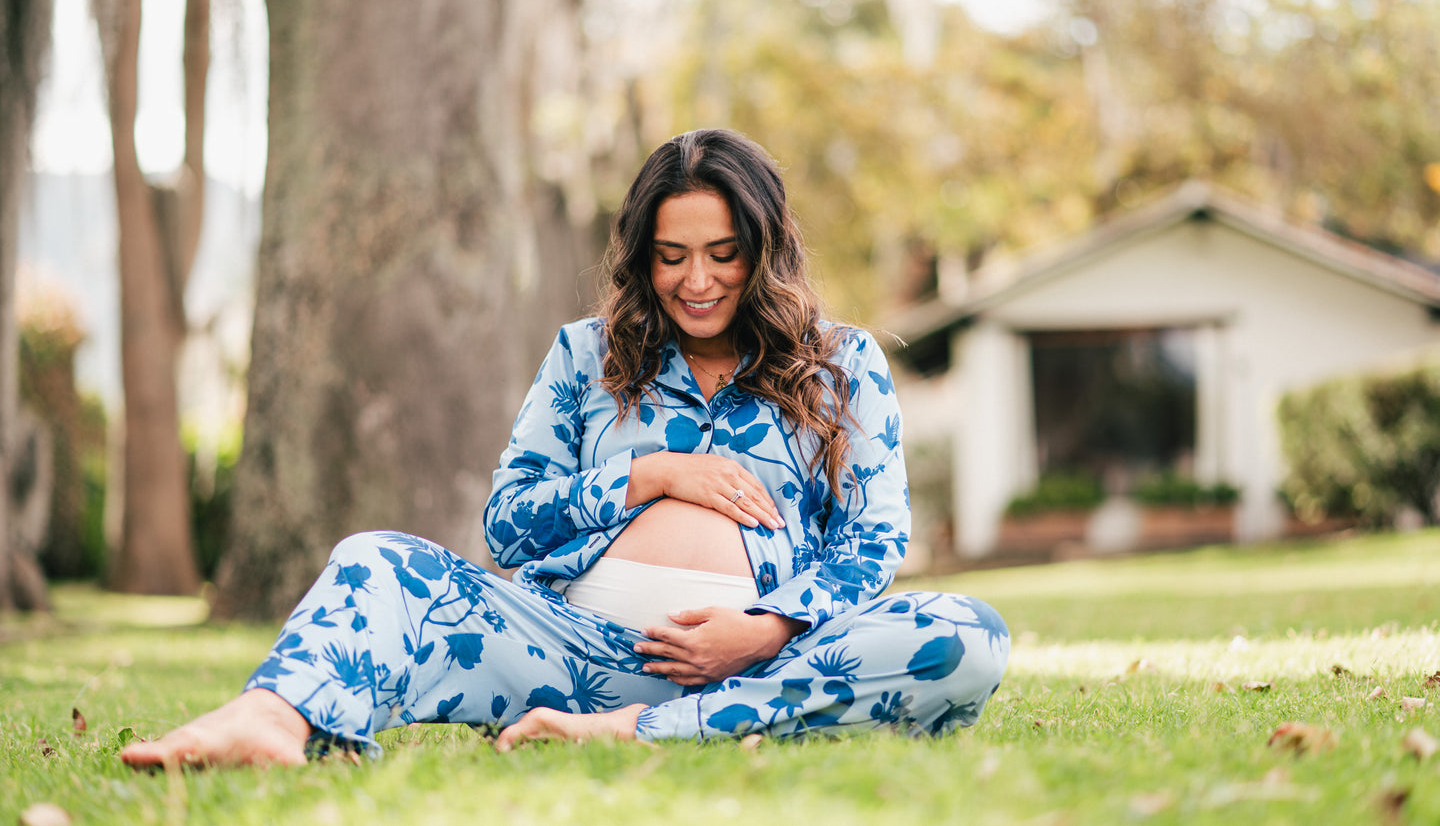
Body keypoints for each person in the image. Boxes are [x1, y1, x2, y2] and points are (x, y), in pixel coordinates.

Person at [121, 128, 1008, 768]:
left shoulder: (843, 363)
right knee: (376, 560)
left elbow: (871, 540)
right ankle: (272, 718)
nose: (696, 280)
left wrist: (764, 628)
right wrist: (646, 475)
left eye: (723, 253)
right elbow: (507, 525)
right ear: (641, 255)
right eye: (670, 255)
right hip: (568, 650)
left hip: (764, 662)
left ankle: (634, 732)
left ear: (764, 248)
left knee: (968, 635)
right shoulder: (587, 354)